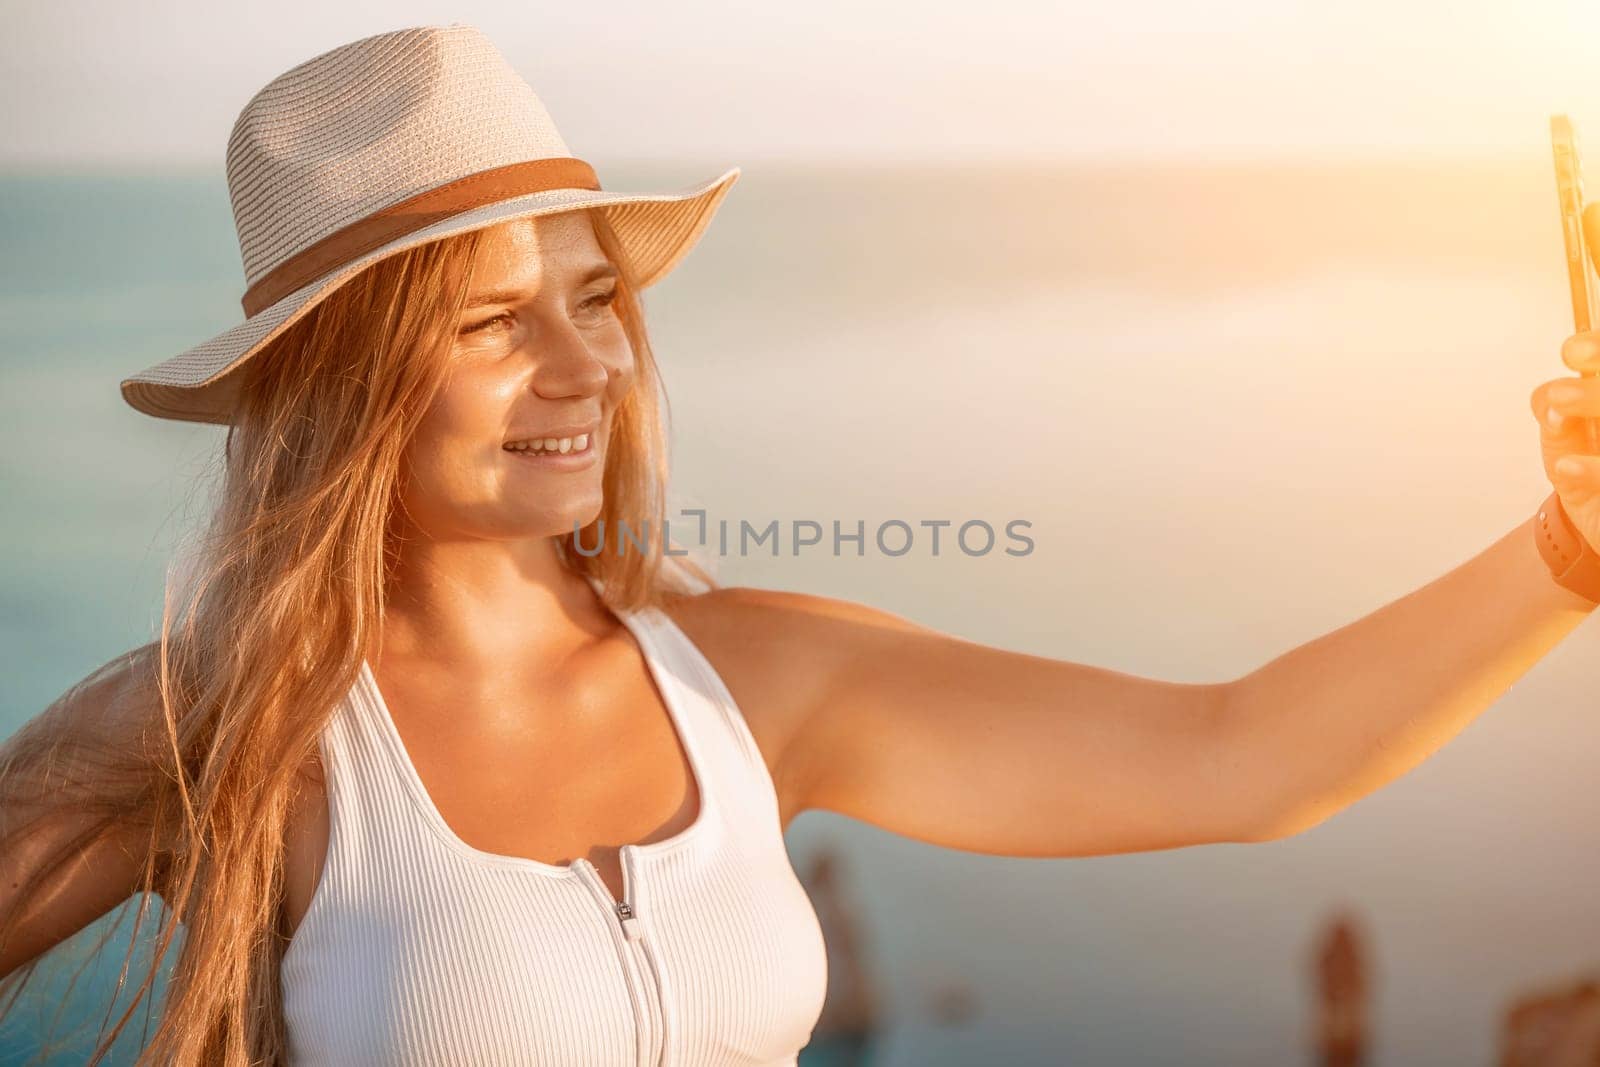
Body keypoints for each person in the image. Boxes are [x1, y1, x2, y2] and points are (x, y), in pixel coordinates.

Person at [3, 21, 1599, 1067]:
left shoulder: (750, 678)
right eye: (497, 319)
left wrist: (1571, 544)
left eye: (598, 297)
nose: (589, 369)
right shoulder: (230, 724)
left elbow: (1242, 756)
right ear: (349, 385)